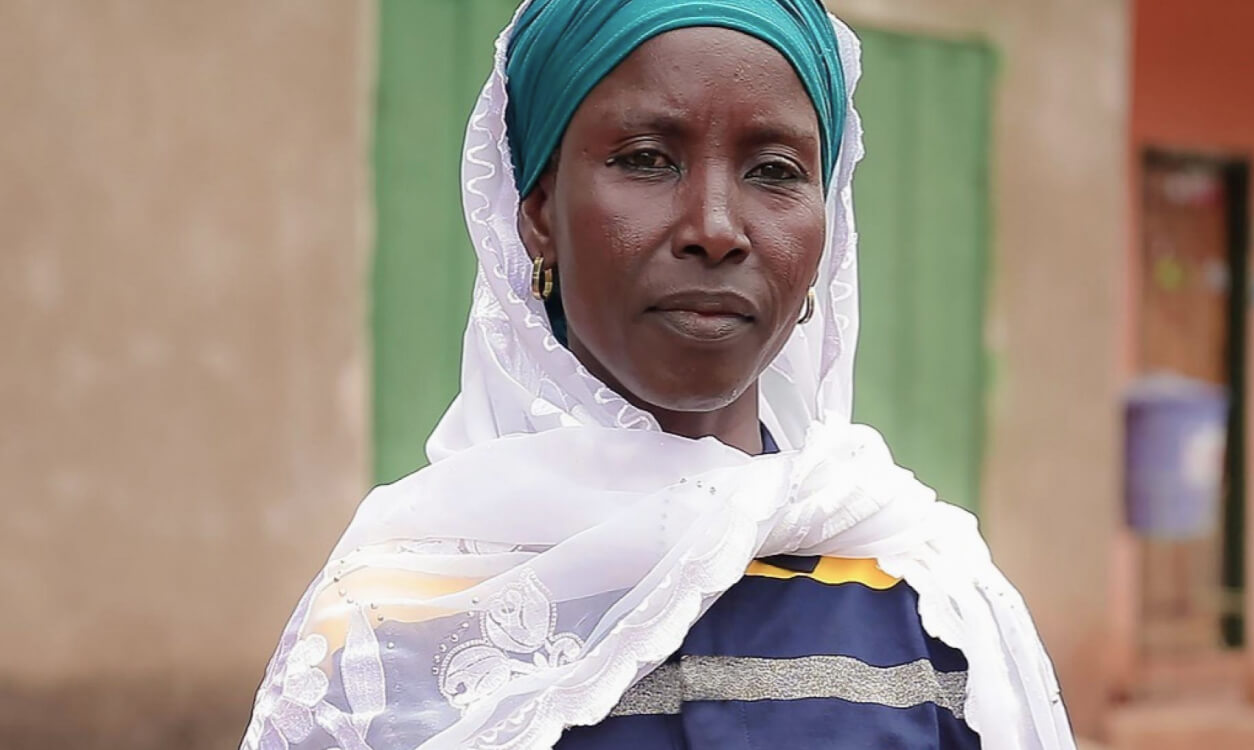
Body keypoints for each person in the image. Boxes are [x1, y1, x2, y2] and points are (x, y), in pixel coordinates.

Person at [241, 1, 1073, 748]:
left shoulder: (928, 602)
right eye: (645, 158)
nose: (714, 228)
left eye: (775, 171)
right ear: (536, 215)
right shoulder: (390, 631)